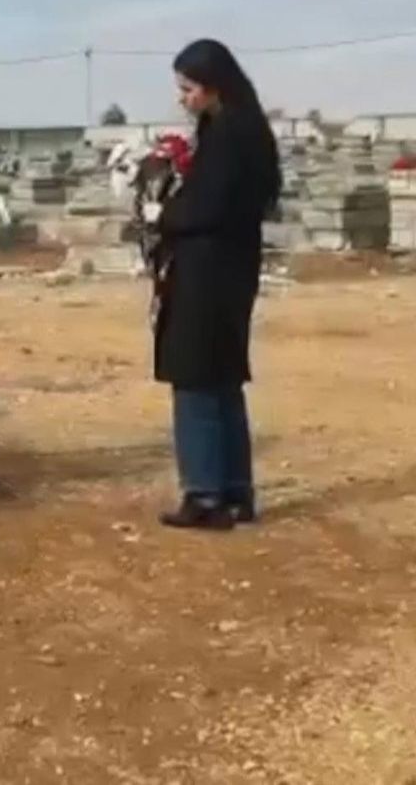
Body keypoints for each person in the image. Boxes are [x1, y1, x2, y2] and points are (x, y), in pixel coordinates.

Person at [152, 39, 282, 530]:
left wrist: (163, 213)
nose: (183, 99)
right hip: (230, 269)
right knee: (223, 380)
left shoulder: (230, 136)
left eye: (189, 89)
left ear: (213, 87)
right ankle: (234, 491)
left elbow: (209, 207)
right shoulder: (240, 129)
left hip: (208, 272)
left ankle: (205, 493)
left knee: (197, 380)